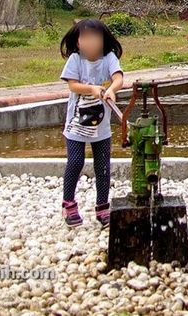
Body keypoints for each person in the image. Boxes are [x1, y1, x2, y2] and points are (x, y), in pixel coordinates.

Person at [58, 19, 124, 227]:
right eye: (85, 37)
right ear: (77, 42)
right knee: (75, 161)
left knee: (102, 166)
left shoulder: (109, 58)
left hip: (101, 126)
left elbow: (119, 78)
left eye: (95, 37)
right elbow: (73, 86)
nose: (91, 42)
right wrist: (93, 89)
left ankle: (103, 207)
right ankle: (68, 204)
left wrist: (112, 89)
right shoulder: (76, 60)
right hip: (77, 123)